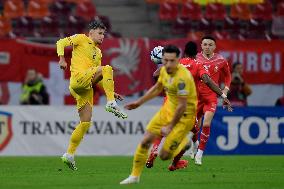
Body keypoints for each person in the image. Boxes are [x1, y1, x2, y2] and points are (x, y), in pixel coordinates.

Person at [146, 41, 232, 171]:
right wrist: (223, 95)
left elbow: (155, 74)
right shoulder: (198, 65)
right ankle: (175, 163)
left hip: (171, 103)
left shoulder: (177, 63)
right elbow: (208, 81)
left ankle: (155, 150)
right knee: (192, 133)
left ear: (184, 52)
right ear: (196, 53)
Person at [120, 45, 197, 184]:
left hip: (183, 116)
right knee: (145, 141)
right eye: (165, 60)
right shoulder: (164, 71)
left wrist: (170, 126)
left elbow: (182, 106)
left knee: (164, 156)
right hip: (166, 110)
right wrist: (138, 103)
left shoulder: (183, 78)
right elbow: (157, 88)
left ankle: (185, 142)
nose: (167, 64)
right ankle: (134, 176)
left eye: (171, 61)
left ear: (178, 59)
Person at [56, 20, 127, 170]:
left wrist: (111, 91)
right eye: (100, 33)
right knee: (107, 68)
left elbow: (97, 77)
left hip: (84, 87)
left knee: (85, 122)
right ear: (91, 32)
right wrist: (62, 59)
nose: (102, 37)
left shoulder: (98, 52)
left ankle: (69, 154)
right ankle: (111, 103)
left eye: (104, 34)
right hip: (78, 79)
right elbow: (61, 42)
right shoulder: (81, 39)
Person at [192, 36, 232, 165]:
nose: (207, 47)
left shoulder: (221, 60)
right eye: (205, 44)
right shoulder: (195, 59)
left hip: (211, 97)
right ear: (201, 46)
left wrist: (225, 91)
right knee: (193, 128)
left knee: (206, 124)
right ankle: (194, 143)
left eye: (210, 44)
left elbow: (228, 77)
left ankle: (200, 153)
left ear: (214, 47)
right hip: (197, 97)